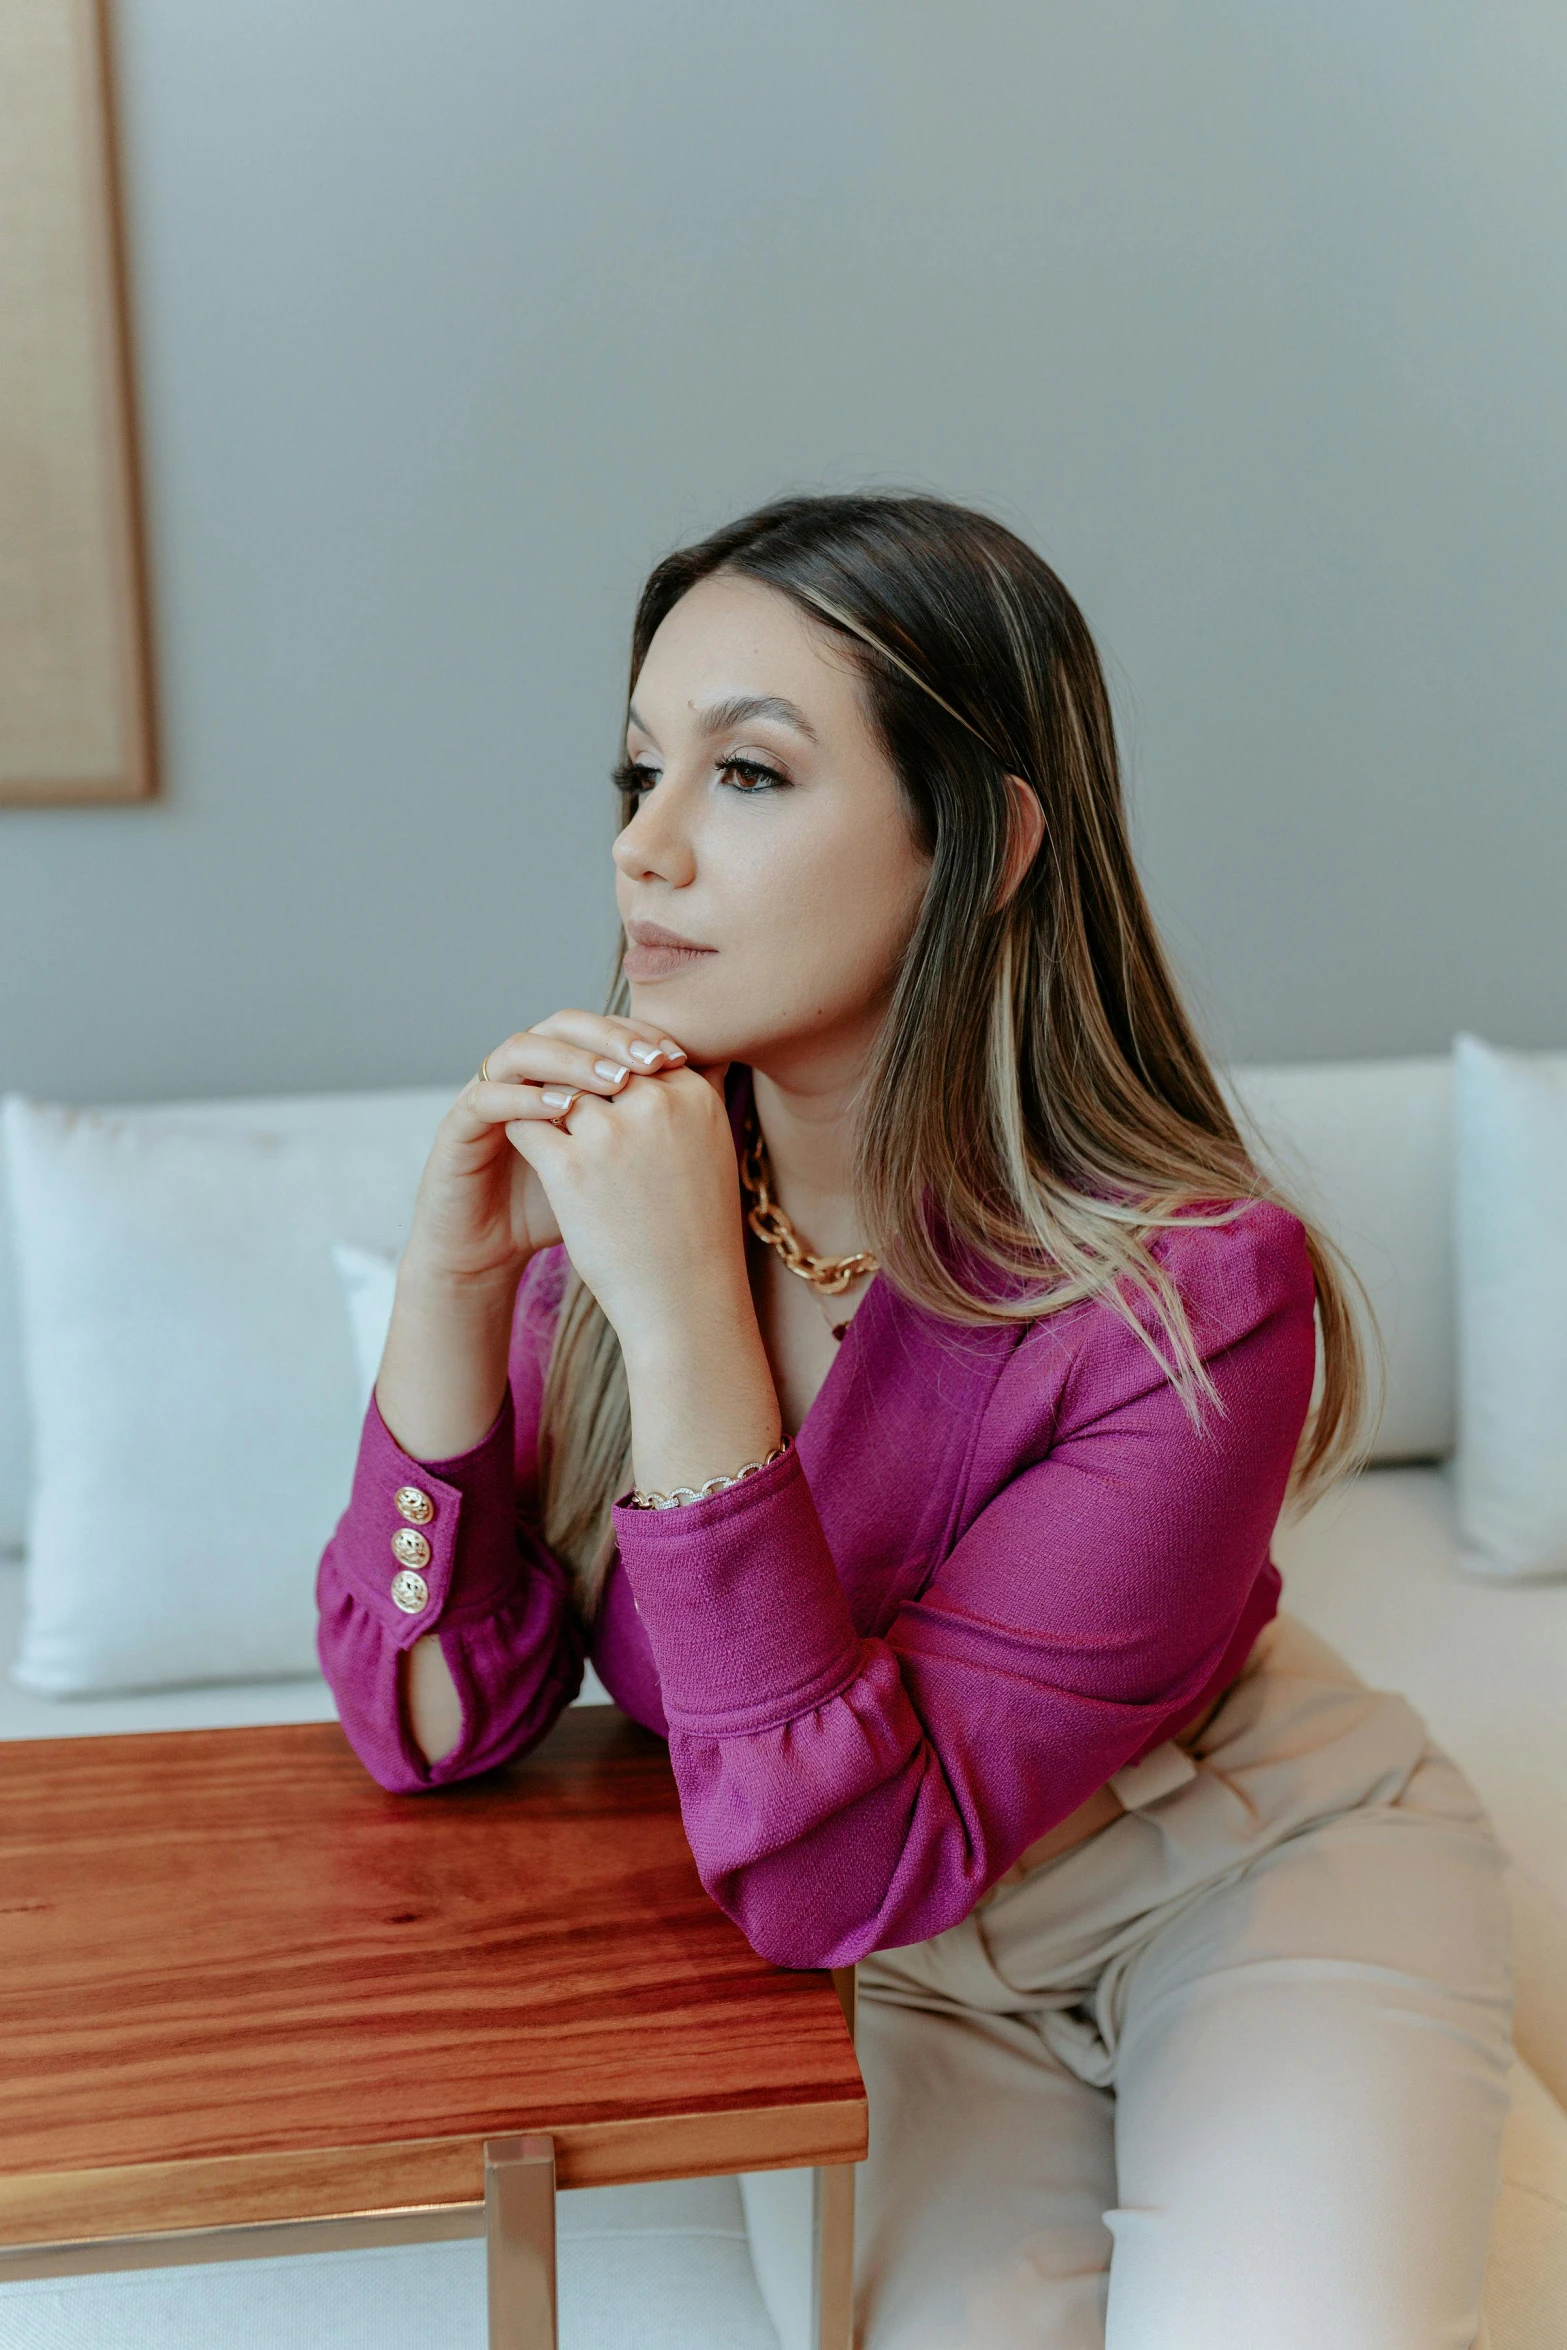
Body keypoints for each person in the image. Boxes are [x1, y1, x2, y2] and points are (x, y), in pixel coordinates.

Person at [317, 493, 1512, 2348]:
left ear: (983, 837)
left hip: (1233, 1866)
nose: (645, 850)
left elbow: (831, 1862)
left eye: (750, 776)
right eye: (637, 772)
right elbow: (430, 1728)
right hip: (900, 1968)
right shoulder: (614, 1230)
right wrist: (454, 1285)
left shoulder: (1194, 1290)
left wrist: (692, 1312)